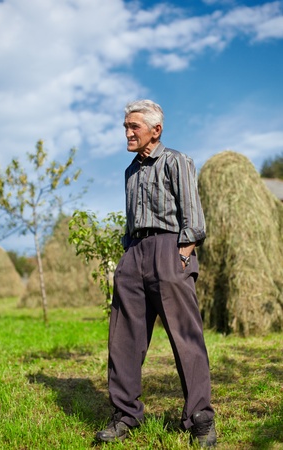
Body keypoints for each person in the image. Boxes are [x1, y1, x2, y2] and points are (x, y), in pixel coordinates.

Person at [96, 99, 216, 448]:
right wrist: (127, 257)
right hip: (134, 253)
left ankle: (200, 419)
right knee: (124, 341)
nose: (128, 132)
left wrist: (183, 253)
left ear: (155, 130)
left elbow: (193, 217)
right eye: (125, 127)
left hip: (169, 249)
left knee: (186, 339)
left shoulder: (176, 161)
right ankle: (125, 416)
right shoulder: (129, 171)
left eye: (134, 126)